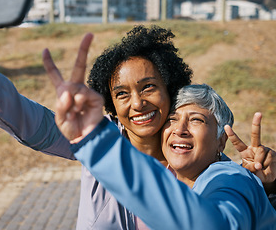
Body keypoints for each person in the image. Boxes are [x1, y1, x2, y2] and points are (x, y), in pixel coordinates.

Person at [0, 0, 276, 228]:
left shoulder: (209, 167)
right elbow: (30, 122)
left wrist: (265, 186)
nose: (137, 103)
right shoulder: (102, 140)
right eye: (122, 94)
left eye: (149, 87)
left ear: (171, 90)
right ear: (111, 105)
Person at [51, 80, 276, 229]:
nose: (179, 129)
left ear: (221, 140)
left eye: (196, 119)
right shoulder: (169, 173)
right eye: (172, 119)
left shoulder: (231, 177)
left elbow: (223, 221)